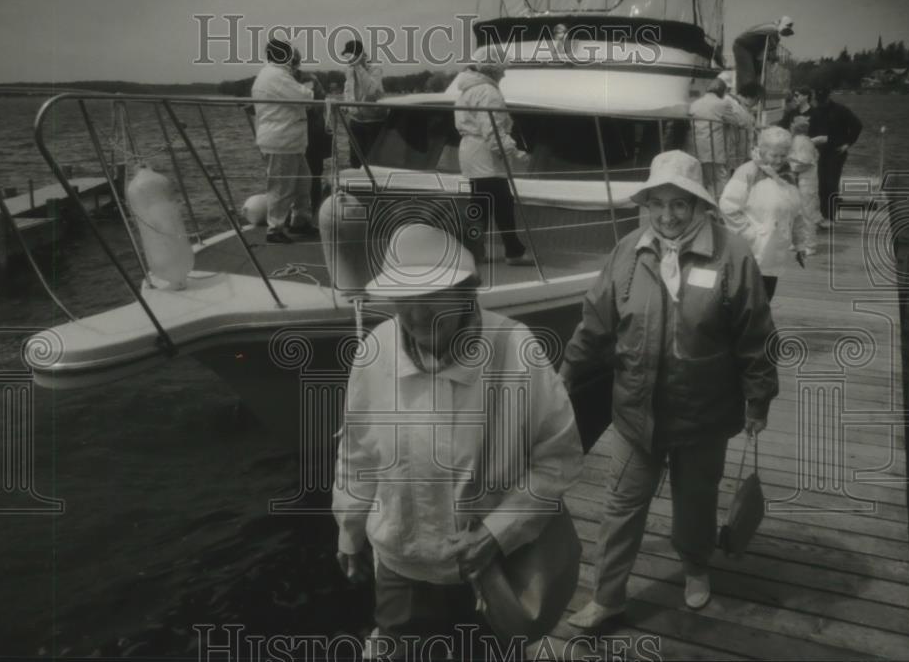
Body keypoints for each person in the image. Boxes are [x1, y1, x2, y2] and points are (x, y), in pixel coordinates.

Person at [334, 223, 585, 657]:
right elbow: (358, 453)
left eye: (431, 301)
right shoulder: (375, 349)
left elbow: (557, 460)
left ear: (467, 293)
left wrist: (496, 533)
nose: (415, 318)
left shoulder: (515, 348)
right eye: (404, 303)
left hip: (492, 568)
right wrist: (349, 530)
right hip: (402, 567)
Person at [561, 150, 778, 628]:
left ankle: (696, 567)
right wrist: (567, 373)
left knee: (695, 502)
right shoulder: (628, 250)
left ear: (699, 205)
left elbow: (755, 335)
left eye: (679, 203)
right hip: (635, 414)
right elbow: (596, 319)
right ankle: (608, 596)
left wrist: (758, 399)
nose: (667, 214)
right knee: (620, 505)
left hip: (703, 416)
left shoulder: (733, 254)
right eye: (657, 203)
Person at [454, 57, 533, 266]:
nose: (504, 74)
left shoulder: (468, 90)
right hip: (485, 156)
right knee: (500, 203)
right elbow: (492, 131)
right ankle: (511, 252)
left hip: (472, 152)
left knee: (484, 204)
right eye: (502, 70)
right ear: (494, 71)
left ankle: (479, 251)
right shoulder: (489, 93)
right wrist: (516, 153)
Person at [719, 127, 808, 300]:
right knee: (746, 300)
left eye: (783, 155)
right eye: (773, 155)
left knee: (765, 298)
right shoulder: (747, 171)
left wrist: (800, 243)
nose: (779, 161)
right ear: (761, 150)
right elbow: (727, 207)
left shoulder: (788, 174)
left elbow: (795, 212)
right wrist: (751, 234)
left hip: (774, 252)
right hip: (750, 251)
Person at [253, 38, 316, 243]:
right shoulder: (276, 76)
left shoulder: (275, 74)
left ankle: (301, 221)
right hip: (281, 141)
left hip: (290, 141)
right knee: (281, 187)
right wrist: (310, 85)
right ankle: (275, 229)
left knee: (302, 182)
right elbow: (305, 96)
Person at [808, 84, 863, 227]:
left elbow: (857, 125)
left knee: (831, 184)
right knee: (820, 184)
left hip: (836, 152)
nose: (820, 101)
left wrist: (848, 144)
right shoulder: (815, 112)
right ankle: (821, 216)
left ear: (828, 96)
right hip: (819, 152)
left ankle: (830, 217)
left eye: (822, 98)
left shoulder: (841, 110)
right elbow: (810, 131)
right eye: (817, 99)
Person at [685, 75, 750, 198]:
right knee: (721, 180)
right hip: (714, 150)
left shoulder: (695, 104)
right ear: (722, 91)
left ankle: (708, 205)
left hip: (696, 149)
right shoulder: (722, 104)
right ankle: (721, 208)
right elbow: (738, 122)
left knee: (704, 181)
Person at [291, 48, 332, 214]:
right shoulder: (279, 80)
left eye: (293, 61)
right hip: (292, 135)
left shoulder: (310, 79)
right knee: (291, 175)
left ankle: (315, 210)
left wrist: (307, 107)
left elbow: (321, 102)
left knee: (315, 173)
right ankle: (294, 213)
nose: (291, 65)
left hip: (313, 133)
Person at [341, 39, 386, 168]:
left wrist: (358, 66)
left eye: (351, 57)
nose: (348, 61)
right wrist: (347, 105)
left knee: (373, 163)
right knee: (355, 161)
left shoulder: (376, 69)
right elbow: (348, 87)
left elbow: (370, 90)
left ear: (359, 56)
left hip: (374, 123)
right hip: (355, 122)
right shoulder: (349, 69)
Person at [731, 16, 794, 97]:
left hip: (752, 50)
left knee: (758, 71)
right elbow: (773, 41)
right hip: (742, 46)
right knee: (747, 74)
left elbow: (769, 50)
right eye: (785, 30)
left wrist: (772, 58)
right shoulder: (772, 28)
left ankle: (752, 94)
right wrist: (773, 56)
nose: (785, 34)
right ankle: (743, 96)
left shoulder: (772, 32)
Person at [788, 116, 821, 255]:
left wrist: (791, 168)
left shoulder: (801, 141)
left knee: (807, 213)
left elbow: (805, 162)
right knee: (796, 212)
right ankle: (798, 241)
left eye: (792, 125)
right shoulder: (805, 140)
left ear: (795, 128)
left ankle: (810, 245)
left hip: (806, 181)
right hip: (802, 181)